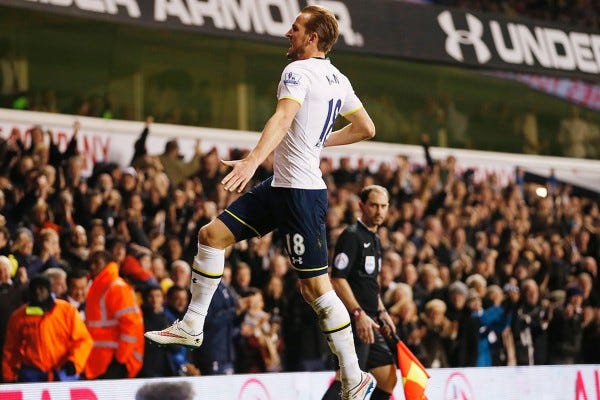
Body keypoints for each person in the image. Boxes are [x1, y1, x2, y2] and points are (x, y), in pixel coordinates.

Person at [145, 5, 376, 398]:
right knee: (211, 235)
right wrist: (319, 142)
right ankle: (193, 324)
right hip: (282, 186)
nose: (289, 33)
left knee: (317, 291)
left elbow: (283, 119)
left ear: (313, 38)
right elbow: (366, 128)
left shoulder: (297, 71)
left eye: (296, 28)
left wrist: (253, 160)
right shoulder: (339, 78)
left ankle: (353, 379)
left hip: (301, 193)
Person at [323, 185, 397, 400]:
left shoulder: (376, 238)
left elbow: (370, 282)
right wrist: (358, 313)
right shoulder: (352, 236)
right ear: (361, 206)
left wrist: (382, 311)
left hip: (370, 319)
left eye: (383, 206)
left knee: (387, 377)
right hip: (354, 320)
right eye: (374, 205)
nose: (379, 211)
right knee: (347, 380)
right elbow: (337, 278)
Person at [2, 275, 93, 382]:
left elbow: (83, 340)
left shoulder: (67, 311)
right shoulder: (19, 317)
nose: (38, 292)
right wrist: (8, 376)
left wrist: (74, 363)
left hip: (63, 372)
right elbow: (11, 350)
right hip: (32, 374)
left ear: (49, 290)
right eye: (34, 289)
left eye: (41, 289)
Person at [84, 250, 144, 379]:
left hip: (115, 361)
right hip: (102, 360)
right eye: (91, 263)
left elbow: (131, 325)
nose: (93, 266)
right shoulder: (98, 287)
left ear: (108, 264)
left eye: (97, 263)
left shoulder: (115, 287)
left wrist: (120, 360)